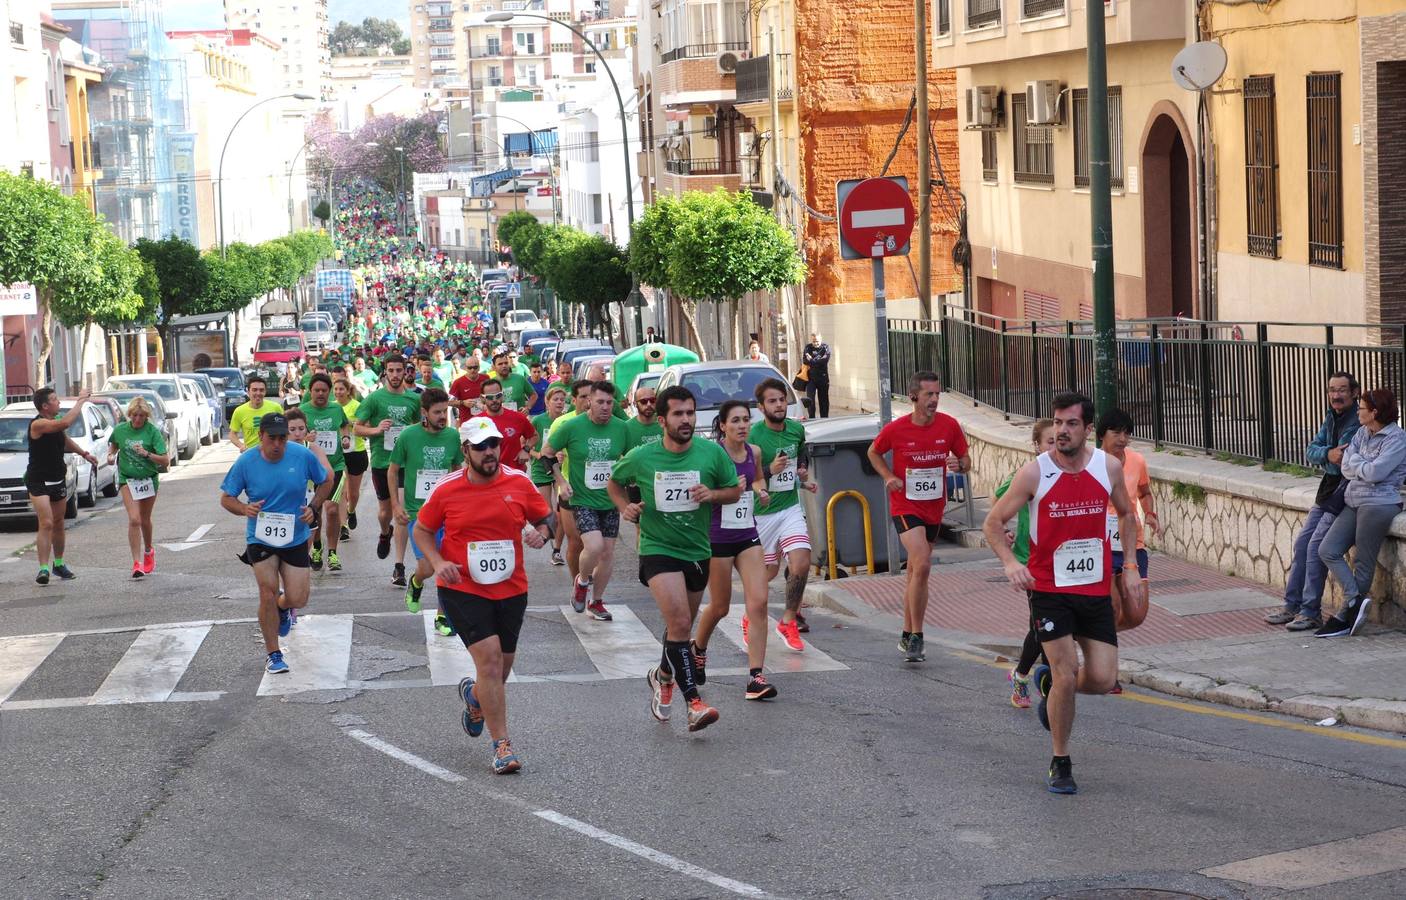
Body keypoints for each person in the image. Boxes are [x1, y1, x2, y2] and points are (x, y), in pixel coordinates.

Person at [981, 392, 1140, 795]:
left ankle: (1052, 687)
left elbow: (1125, 513)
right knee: (1067, 670)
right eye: (1057, 423)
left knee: (1103, 679)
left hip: (1094, 588)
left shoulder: (1109, 467)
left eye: (1071, 424)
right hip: (1049, 589)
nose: (1062, 431)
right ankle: (1060, 761)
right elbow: (993, 521)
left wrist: (1132, 568)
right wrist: (1011, 564)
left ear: (1089, 430)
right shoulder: (1035, 473)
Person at [414, 417, 553, 774]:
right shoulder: (446, 490)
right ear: (466, 452)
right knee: (489, 660)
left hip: (511, 588)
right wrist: (438, 560)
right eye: (480, 447)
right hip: (462, 587)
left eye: (492, 444)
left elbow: (547, 518)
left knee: (500, 671)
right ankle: (502, 746)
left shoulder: (519, 482)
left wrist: (542, 533)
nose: (489, 451)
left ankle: (475, 697)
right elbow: (423, 530)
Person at [608, 386, 742, 731]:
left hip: (697, 550)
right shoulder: (642, 456)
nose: (686, 420)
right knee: (681, 623)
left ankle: (663, 675)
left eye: (690, 413)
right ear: (662, 419)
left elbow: (734, 491)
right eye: (679, 414)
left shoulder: (711, 453)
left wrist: (712, 494)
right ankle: (694, 703)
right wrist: (627, 508)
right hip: (657, 548)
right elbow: (614, 483)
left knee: (679, 629)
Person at [866, 370, 970, 664]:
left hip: (934, 507)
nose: (935, 399)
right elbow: (873, 452)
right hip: (904, 505)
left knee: (915, 571)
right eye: (929, 395)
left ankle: (905, 631)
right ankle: (918, 637)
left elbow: (965, 461)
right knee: (922, 562)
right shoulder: (897, 429)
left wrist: (958, 464)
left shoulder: (949, 426)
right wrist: (888, 476)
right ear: (914, 397)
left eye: (937, 394)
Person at [220, 413, 333, 675]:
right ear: (261, 437)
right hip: (260, 536)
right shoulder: (246, 462)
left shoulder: (300, 455)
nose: (278, 444)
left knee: (298, 598)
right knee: (267, 591)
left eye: (282, 438)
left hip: (294, 534)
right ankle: (273, 653)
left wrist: (314, 508)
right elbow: (226, 498)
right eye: (272, 438)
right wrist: (244, 508)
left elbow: (326, 480)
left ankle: (284, 607)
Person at [691, 399, 777, 700]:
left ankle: (756, 676)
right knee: (720, 606)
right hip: (717, 538)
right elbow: (700, 495)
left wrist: (761, 490)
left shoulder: (754, 452)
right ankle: (697, 648)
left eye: (746, 420)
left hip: (747, 535)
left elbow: (756, 478)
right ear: (723, 425)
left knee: (759, 602)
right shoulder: (713, 456)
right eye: (736, 421)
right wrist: (726, 492)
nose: (742, 425)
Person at [1267, 372, 1362, 631]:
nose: (1336, 395)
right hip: (1327, 490)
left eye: (1342, 390)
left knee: (1314, 548)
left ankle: (1311, 612)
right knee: (1301, 545)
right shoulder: (1331, 416)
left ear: (1354, 393)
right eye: (1332, 390)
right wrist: (1326, 454)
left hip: (1343, 492)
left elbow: (1341, 462)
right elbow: (1313, 450)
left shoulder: (1357, 421)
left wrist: (1328, 456)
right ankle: (1292, 606)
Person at [1316, 388, 1406, 638]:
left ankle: (1345, 616)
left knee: (1362, 562)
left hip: (1379, 503)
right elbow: (1345, 467)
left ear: (1374, 412)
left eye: (1362, 408)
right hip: (1353, 500)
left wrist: (1357, 463)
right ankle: (1355, 599)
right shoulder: (1361, 432)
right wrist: (1361, 466)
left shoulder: (1396, 439)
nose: (1357, 412)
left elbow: (1377, 473)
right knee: (1327, 549)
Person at [541, 380, 631, 621]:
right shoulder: (572, 427)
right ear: (589, 401)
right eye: (600, 402)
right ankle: (581, 582)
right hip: (582, 499)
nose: (605, 407)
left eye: (609, 403)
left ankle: (597, 601)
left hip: (610, 500)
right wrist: (561, 481)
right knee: (593, 546)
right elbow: (546, 454)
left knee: (608, 553)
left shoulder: (622, 428)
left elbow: (634, 459)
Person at [750, 378, 817, 652]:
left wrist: (802, 471)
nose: (779, 405)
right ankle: (749, 616)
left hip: (790, 508)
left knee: (801, 562)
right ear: (761, 406)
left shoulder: (795, 429)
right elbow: (743, 475)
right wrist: (768, 471)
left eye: (781, 399)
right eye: (772, 401)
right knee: (768, 572)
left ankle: (788, 620)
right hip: (762, 513)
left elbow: (802, 452)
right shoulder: (753, 436)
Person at [391, 387, 465, 636]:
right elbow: (392, 471)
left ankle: (442, 616)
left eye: (445, 411)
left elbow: (457, 469)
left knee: (448, 564)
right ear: (424, 412)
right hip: (418, 513)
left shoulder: (453, 437)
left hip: (448, 514)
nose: (443, 417)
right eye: (437, 412)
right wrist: (395, 505)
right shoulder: (408, 436)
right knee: (429, 567)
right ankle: (416, 581)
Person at [995, 419, 1057, 709]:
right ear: (1037, 446)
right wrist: (1004, 529)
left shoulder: (1069, 472)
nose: (1055, 447)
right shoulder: (1027, 474)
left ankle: (1044, 679)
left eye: (1058, 441)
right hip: (1029, 560)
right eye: (1049, 442)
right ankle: (1025, 677)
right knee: (1043, 625)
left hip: (1059, 561)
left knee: (1051, 624)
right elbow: (999, 500)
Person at [353, 355, 422, 586]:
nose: (395, 375)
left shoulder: (414, 399)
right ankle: (385, 533)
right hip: (382, 463)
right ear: (385, 373)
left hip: (406, 464)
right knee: (385, 513)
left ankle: (399, 567)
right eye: (390, 370)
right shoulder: (374, 399)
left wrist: (414, 430)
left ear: (405, 372)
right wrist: (376, 430)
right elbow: (357, 429)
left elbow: (421, 426)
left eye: (399, 370)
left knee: (401, 512)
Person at [1095, 408, 1159, 639]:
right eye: (1116, 432)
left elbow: (1144, 492)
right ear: (1102, 434)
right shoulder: (1091, 464)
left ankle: (1092, 637)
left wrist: (1150, 512)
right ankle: (1103, 658)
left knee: (1137, 613)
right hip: (1102, 545)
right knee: (1110, 608)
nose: (1122, 439)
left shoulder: (1137, 461)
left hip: (1132, 543)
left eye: (1126, 433)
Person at [26, 387, 99, 584]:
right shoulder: (38, 424)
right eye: (54, 399)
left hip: (57, 477)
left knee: (58, 523)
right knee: (47, 522)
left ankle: (58, 564)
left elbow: (64, 440)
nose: (58, 402)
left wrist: (84, 454)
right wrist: (80, 401)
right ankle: (43, 569)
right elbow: (65, 423)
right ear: (45, 406)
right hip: (38, 480)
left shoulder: (53, 425)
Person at [106, 396, 170, 579]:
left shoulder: (152, 432)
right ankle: (136, 563)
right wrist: (111, 456)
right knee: (134, 519)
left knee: (144, 519)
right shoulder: (120, 430)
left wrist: (147, 454)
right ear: (130, 414)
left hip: (148, 479)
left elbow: (165, 459)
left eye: (142, 416)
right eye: (135, 415)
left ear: (146, 416)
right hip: (127, 479)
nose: (138, 419)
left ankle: (149, 551)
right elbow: (113, 446)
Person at [300, 374, 351, 572]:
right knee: (316, 512)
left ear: (329, 392)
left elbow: (344, 424)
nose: (320, 394)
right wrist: (306, 437)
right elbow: (292, 435)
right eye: (316, 390)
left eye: (324, 390)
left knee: (331, 510)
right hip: (312, 471)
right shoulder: (302, 411)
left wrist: (345, 437)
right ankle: (318, 547)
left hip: (336, 467)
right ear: (310, 392)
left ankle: (332, 553)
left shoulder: (336, 409)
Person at [529, 385, 569, 565]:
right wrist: (539, 455)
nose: (559, 402)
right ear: (547, 401)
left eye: (562, 399)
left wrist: (564, 455)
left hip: (561, 468)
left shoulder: (568, 421)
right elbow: (525, 444)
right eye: (556, 399)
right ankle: (550, 538)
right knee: (548, 511)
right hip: (541, 468)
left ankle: (556, 551)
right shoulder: (538, 420)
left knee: (560, 512)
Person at [470, 378, 535, 469]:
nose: (494, 400)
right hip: (489, 477)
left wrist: (526, 449)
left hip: (514, 474)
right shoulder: (475, 422)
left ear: (502, 395)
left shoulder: (517, 417)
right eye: (489, 397)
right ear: (482, 398)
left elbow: (534, 436)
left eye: (498, 395)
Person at [334, 377, 368, 540]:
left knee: (352, 494)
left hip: (356, 451)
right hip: (338, 453)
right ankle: (343, 526)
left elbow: (366, 426)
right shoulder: (331, 407)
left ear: (348, 391)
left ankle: (351, 510)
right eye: (336, 389)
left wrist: (349, 423)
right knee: (342, 491)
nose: (338, 392)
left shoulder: (356, 406)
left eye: (341, 389)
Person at [229, 376, 282, 452]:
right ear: (248, 392)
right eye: (254, 390)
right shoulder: (239, 411)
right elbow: (232, 434)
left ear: (265, 392)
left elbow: (285, 429)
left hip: (272, 452)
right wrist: (241, 445)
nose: (258, 393)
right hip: (251, 453)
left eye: (261, 390)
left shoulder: (276, 408)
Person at [802, 333, 832, 419]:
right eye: (814, 341)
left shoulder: (825, 347)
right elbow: (805, 361)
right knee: (810, 399)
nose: (815, 343)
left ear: (821, 339)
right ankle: (812, 418)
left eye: (817, 341)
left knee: (823, 400)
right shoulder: (808, 347)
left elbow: (825, 360)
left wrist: (811, 359)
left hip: (823, 378)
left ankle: (824, 418)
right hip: (811, 379)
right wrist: (817, 360)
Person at [625, 385, 663, 449]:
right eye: (644, 401)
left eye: (652, 400)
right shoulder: (626, 428)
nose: (649, 404)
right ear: (635, 404)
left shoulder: (665, 424)